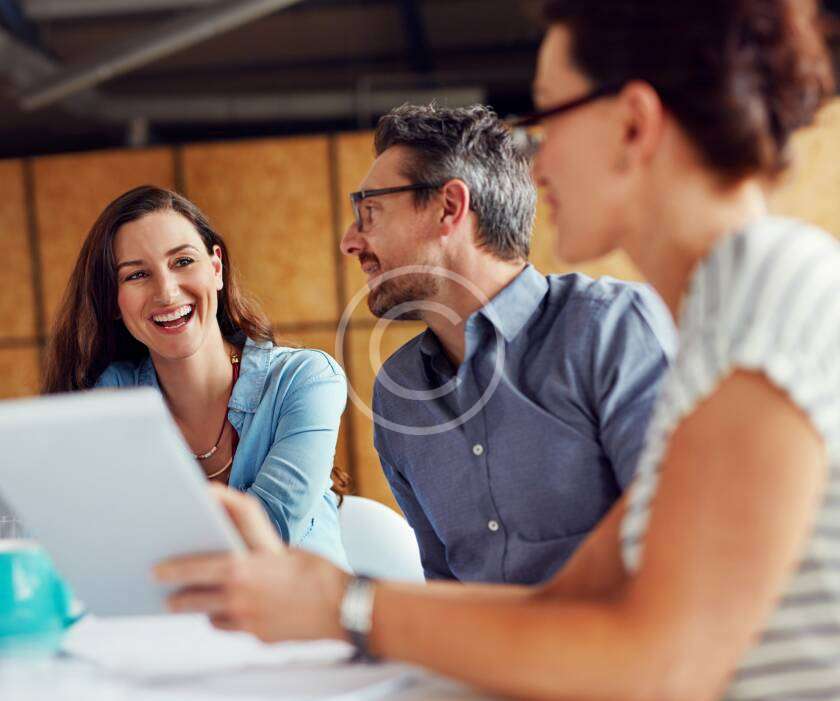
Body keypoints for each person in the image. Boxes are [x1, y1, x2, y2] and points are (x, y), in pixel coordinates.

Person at [155, 1, 840, 699]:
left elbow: (660, 662)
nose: (535, 163)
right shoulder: (719, 317)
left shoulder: (770, 297)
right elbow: (564, 603)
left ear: (633, 125)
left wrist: (341, 606)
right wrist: (322, 597)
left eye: (550, 114)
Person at [340, 103, 676, 584]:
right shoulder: (399, 390)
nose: (350, 241)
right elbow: (445, 585)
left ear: (449, 207)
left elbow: (675, 551)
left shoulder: (610, 330)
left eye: (369, 212)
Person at [43, 185, 350, 570]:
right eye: (137, 274)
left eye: (183, 261)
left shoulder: (306, 380)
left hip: (299, 608)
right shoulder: (114, 395)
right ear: (113, 302)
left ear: (216, 268)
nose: (166, 292)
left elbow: (268, 534)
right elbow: (86, 534)